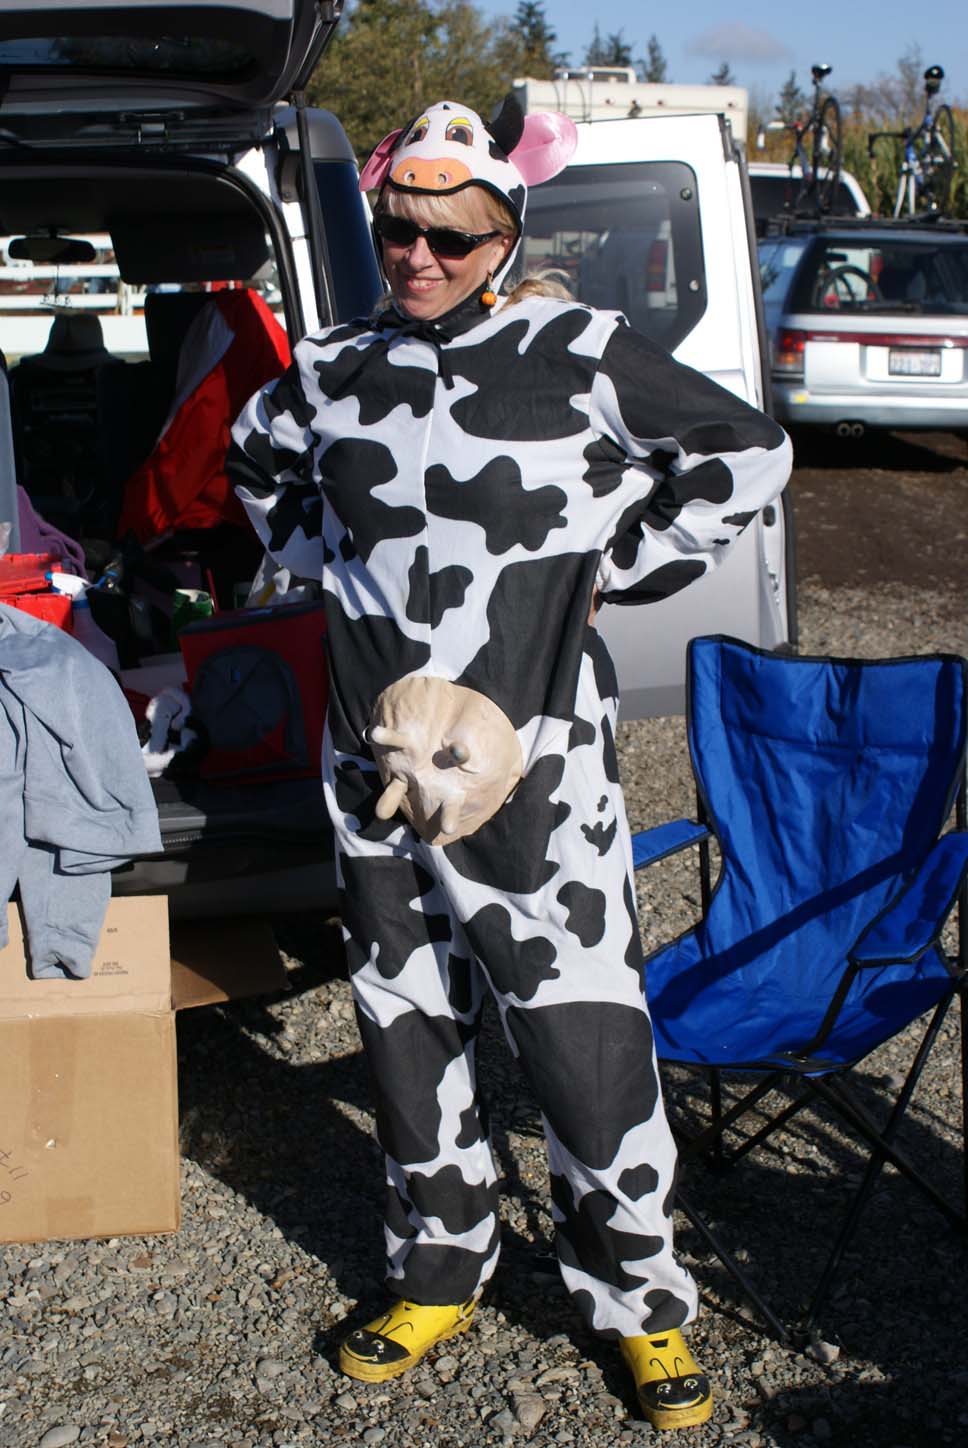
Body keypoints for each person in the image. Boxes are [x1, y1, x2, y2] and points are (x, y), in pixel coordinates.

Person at [228, 96, 792, 1432]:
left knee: (581, 1035)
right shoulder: (334, 363)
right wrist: (339, 578)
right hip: (374, 765)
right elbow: (258, 468)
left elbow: (746, 457)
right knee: (406, 1016)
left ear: (504, 228)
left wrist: (614, 571)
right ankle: (439, 1262)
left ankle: (637, 1301)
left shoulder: (577, 349)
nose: (417, 255)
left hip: (536, 765)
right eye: (397, 229)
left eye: (450, 233)